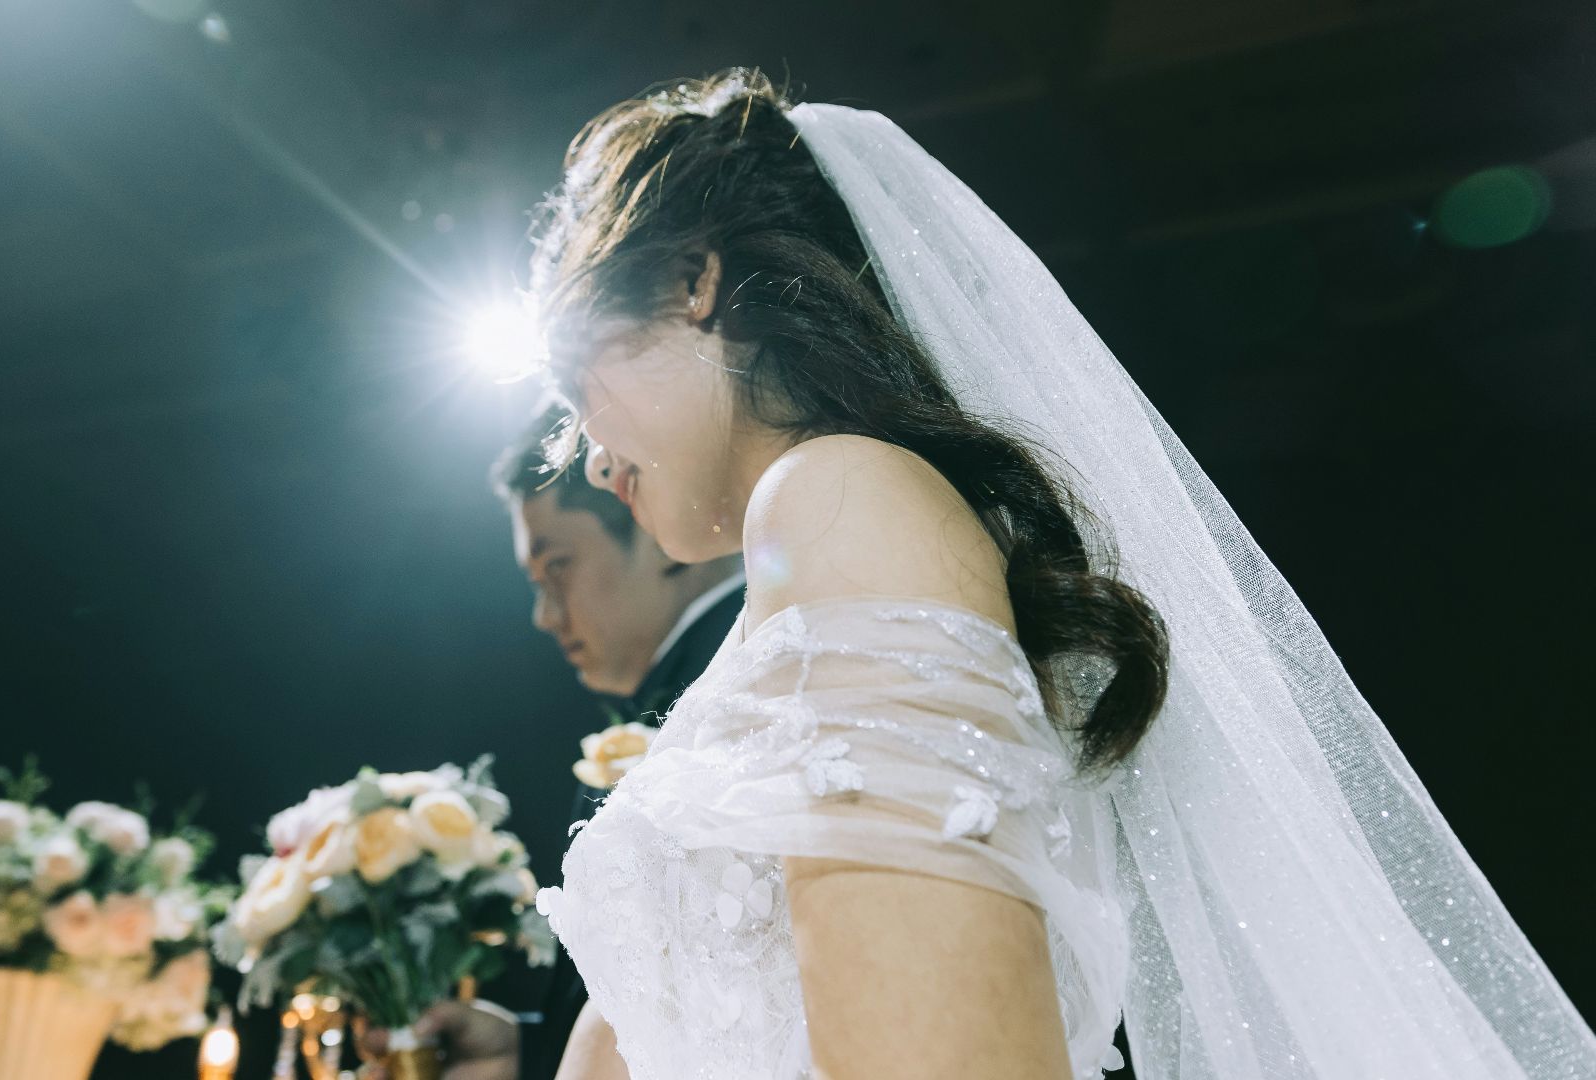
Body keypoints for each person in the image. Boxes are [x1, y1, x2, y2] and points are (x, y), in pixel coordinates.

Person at [524, 69, 1596, 1080]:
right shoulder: (798, 573)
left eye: (578, 388)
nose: (583, 454)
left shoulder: (841, 497)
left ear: (690, 280)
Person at [357, 404, 743, 1080]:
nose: (543, 616)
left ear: (650, 523)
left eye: (556, 567)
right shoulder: (684, 687)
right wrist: (523, 1052)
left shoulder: (733, 685)